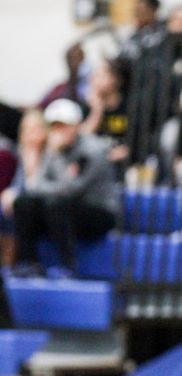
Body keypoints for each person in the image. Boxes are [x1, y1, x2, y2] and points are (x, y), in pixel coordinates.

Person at [12, 100, 118, 277]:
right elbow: (35, 185)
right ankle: (28, 263)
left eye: (63, 126)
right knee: (23, 203)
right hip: (62, 210)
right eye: (54, 126)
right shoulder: (52, 148)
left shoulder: (92, 150)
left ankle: (68, 265)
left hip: (98, 213)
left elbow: (70, 190)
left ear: (76, 126)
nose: (59, 131)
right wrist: (51, 158)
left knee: (55, 204)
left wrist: (55, 156)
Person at [0, 110, 48, 267]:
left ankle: (13, 263)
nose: (30, 134)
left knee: (19, 207)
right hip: (21, 203)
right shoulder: (18, 153)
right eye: (26, 129)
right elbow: (16, 183)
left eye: (35, 129)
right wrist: (9, 193)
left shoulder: (52, 154)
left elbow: (41, 187)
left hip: (43, 205)